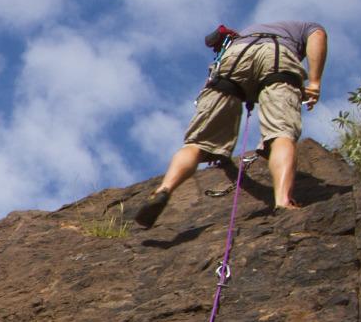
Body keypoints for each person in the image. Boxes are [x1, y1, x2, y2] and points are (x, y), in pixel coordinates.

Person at [131, 20, 327, 228]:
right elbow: (318, 34)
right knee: (281, 134)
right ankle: (283, 201)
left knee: (196, 143)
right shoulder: (303, 27)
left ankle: (164, 189)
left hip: (235, 57)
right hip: (277, 55)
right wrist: (314, 81)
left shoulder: (242, 35)